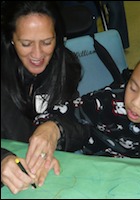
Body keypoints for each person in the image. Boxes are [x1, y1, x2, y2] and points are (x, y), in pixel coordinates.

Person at [1, 1, 90, 194]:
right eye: (26, 44)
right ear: (11, 39)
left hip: (53, 175)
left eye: (47, 42)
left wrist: (56, 128)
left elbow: (83, 123)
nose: (38, 54)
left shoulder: (66, 65)